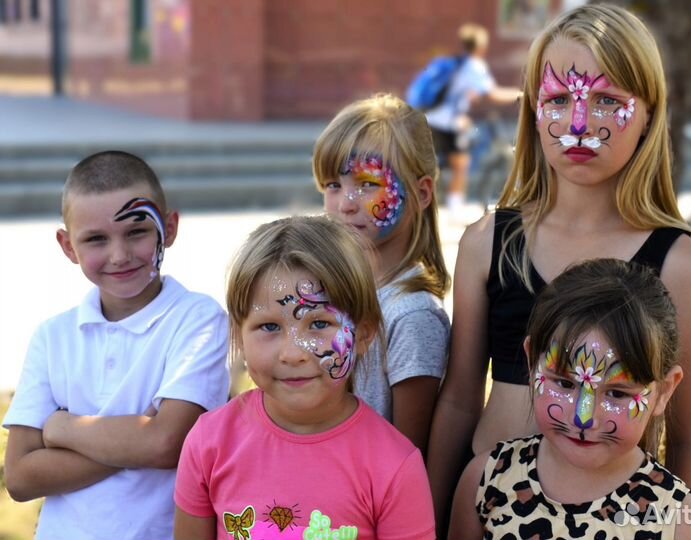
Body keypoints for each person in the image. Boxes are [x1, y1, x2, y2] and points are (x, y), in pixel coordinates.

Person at [428, 4, 691, 536]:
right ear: (533, 111)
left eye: (607, 100)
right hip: (493, 512)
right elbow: (459, 398)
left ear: (650, 113)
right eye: (559, 99)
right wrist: (428, 517)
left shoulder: (678, 262)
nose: (578, 124)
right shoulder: (490, 241)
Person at [2, 150, 230, 540]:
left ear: (169, 228)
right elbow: (21, 477)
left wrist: (61, 428)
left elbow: (166, 444)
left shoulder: (198, 319)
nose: (119, 255)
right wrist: (133, 442)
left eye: (137, 231)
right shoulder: (52, 336)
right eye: (95, 239)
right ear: (68, 246)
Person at [173, 215, 435, 540]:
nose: (293, 353)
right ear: (238, 336)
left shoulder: (395, 466)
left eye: (320, 324)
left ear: (364, 334)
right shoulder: (208, 443)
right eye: (269, 327)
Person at [448, 258, 691, 540]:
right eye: (565, 383)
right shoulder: (486, 481)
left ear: (663, 391)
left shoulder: (682, 524)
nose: (584, 416)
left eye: (617, 393)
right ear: (532, 365)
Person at [312, 93, 451, 457]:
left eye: (368, 184)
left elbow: (407, 455)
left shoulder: (412, 317)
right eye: (333, 186)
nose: (345, 203)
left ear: (421, 193)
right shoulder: (329, 290)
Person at [425, 23, 520, 215]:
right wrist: (520, 94)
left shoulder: (455, 62)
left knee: (433, 165)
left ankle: (429, 204)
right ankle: (454, 207)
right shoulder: (474, 66)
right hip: (450, 124)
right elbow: (493, 94)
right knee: (461, 164)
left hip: (432, 119)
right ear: (481, 46)